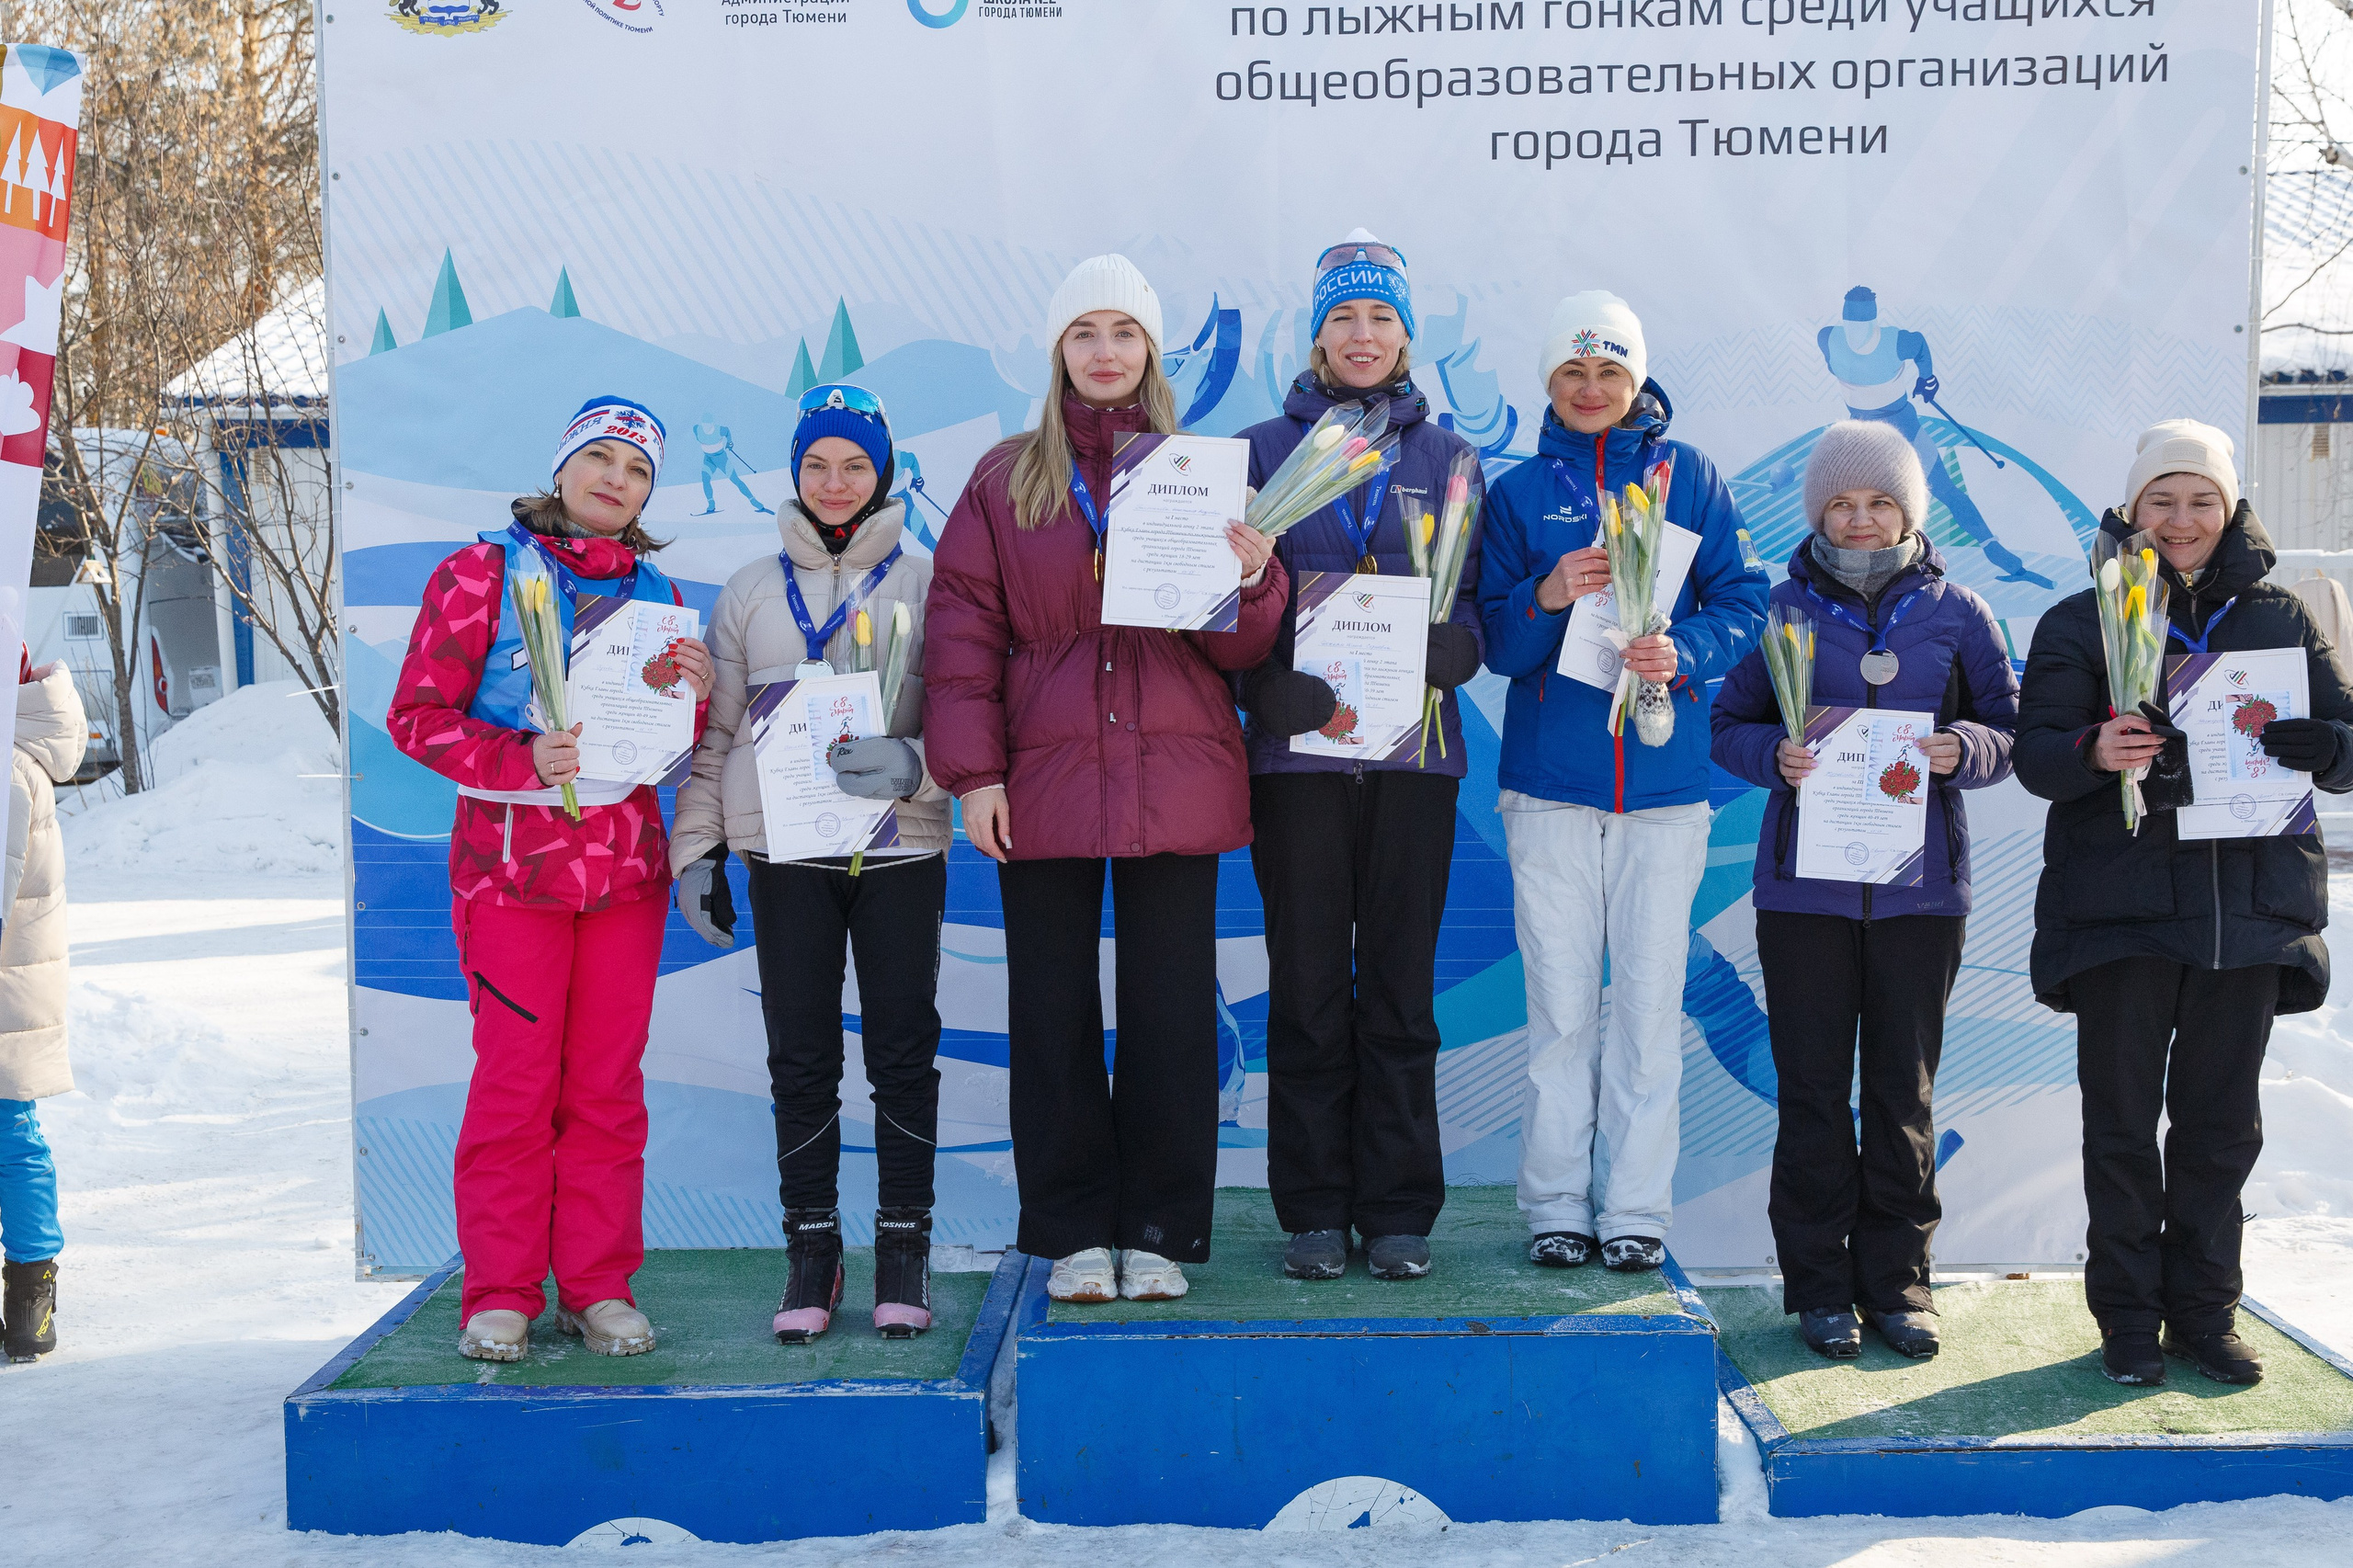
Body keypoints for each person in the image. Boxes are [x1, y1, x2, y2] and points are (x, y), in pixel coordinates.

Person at [924, 255, 1286, 1304]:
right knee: (1052, 1009)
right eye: (1084, 333)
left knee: (1172, 1013)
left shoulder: (1202, 471)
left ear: (1150, 352)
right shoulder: (1003, 479)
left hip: (1174, 778)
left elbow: (1241, 650)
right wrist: (974, 773)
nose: (1104, 352)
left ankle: (1160, 1226)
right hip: (1041, 783)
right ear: (1057, 354)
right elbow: (960, 635)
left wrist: (1253, 576)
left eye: (1122, 333)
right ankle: (1075, 1229)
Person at [2016, 419, 2353, 1388]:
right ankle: (2126, 1316)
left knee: (2220, 1126)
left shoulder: (2280, 617)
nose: (2181, 518)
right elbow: (2037, 751)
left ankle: (2205, 1311)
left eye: (2200, 499)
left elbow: (2346, 736)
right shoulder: (2082, 622)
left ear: (2230, 506)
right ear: (2131, 510)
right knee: (2120, 1122)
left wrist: (2324, 747)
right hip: (2122, 913)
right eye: (2160, 500)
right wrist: (2094, 751)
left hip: (2245, 914)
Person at [389, 395, 715, 1363]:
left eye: (639, 469)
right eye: (602, 458)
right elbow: (416, 716)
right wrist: (522, 759)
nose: (617, 479)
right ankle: (499, 1289)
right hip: (512, 871)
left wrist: (690, 697)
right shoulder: (477, 573)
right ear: (565, 467)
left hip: (621, 872)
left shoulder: (656, 596)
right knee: (517, 1083)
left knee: (608, 1085)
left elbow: (657, 751)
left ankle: (598, 1282)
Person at [1710, 421, 2018, 1360]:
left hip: (1920, 896)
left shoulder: (1958, 611)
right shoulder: (1780, 611)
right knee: (1810, 1092)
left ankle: (1897, 1284)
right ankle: (1817, 1287)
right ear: (1817, 512)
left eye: (1879, 500)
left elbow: (2009, 728)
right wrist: (1776, 754)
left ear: (1907, 510)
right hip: (1805, 897)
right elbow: (1727, 724)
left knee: (1899, 1092)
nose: (1859, 516)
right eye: (1841, 502)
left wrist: (1961, 749)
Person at [1477, 290, 1768, 1274]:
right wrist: (1546, 593)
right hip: (1551, 787)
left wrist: (1679, 651)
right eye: (1573, 372)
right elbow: (1495, 642)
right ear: (1549, 385)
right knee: (1561, 1009)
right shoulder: (1517, 494)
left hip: (1662, 785)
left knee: (1646, 1005)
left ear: (1637, 379)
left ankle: (1635, 1207)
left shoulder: (1690, 478)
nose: (1592, 388)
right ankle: (1556, 1201)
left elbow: (1743, 599)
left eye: (1609, 371)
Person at [672, 383, 950, 1342]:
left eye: (856, 465)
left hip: (899, 849)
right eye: (817, 464)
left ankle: (904, 1241)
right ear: (793, 474)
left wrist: (916, 771)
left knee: (902, 1049)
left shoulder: (924, 584)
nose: (835, 483)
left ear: (884, 476)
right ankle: (813, 1244)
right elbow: (716, 734)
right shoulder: (751, 590)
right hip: (785, 851)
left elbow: (966, 725)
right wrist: (699, 848)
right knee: (801, 1052)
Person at [1232, 230, 1483, 1282]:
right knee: (1305, 984)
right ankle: (1312, 1209)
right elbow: (1216, 607)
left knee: (1397, 985)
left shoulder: (1451, 460)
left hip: (1414, 762)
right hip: (1298, 764)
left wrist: (1454, 648)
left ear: (1408, 337)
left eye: (1381, 317)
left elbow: (1472, 604)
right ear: (1317, 335)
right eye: (1343, 316)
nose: (1362, 334)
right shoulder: (1255, 452)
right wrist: (1261, 676)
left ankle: (1395, 1207)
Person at [0, 655, 88, 1363]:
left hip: (9, 983)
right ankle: (31, 1300)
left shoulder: (8, 766)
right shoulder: (27, 753)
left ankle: (31, 1299)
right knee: (15, 1136)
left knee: (12, 1136)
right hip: (20, 986)